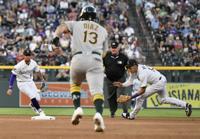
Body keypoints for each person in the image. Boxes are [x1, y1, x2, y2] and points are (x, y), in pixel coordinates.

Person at [52, 5, 108, 132]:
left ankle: (77, 108)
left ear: (82, 15)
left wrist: (55, 40)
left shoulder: (76, 24)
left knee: (75, 85)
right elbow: (105, 53)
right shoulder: (103, 30)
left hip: (77, 59)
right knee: (97, 92)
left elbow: (61, 28)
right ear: (95, 17)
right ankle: (98, 114)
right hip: (95, 59)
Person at [113, 59, 192, 119]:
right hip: (160, 80)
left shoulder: (142, 73)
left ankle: (132, 115)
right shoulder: (135, 70)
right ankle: (186, 105)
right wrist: (122, 85)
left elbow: (142, 90)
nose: (128, 70)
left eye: (129, 68)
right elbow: (130, 80)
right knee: (163, 99)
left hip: (158, 82)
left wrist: (131, 97)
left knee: (140, 97)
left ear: (134, 67)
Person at [6, 49, 55, 120]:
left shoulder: (33, 63)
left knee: (38, 98)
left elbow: (38, 72)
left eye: (29, 55)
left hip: (30, 82)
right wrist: (10, 87)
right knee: (32, 95)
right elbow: (13, 75)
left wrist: (42, 80)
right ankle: (41, 112)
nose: (28, 57)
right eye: (26, 55)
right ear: (24, 56)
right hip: (21, 83)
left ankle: (32, 104)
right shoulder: (19, 65)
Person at [103, 41, 129, 118]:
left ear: (118, 48)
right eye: (112, 48)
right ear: (110, 48)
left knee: (121, 96)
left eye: (115, 48)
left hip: (120, 79)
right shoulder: (106, 57)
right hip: (109, 80)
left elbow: (128, 67)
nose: (113, 49)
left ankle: (125, 112)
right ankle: (112, 113)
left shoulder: (123, 57)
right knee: (111, 97)